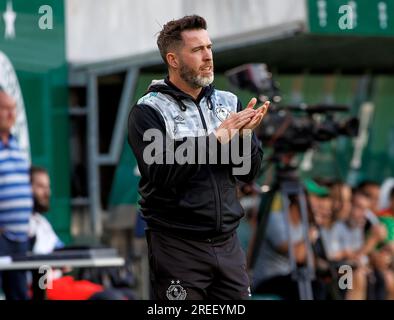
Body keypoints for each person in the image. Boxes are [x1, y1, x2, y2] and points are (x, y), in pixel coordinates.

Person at [127, 15, 269, 300]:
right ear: (173, 59)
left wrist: (243, 136)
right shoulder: (148, 110)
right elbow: (160, 171)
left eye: (209, 47)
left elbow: (246, 172)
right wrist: (216, 139)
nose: (208, 57)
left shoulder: (229, 103)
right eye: (197, 50)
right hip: (177, 247)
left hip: (228, 244)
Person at [0, 89, 33, 300]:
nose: (12, 115)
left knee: (20, 294)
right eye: (5, 109)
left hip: (21, 237)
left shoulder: (16, 145)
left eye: (14, 109)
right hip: (1, 237)